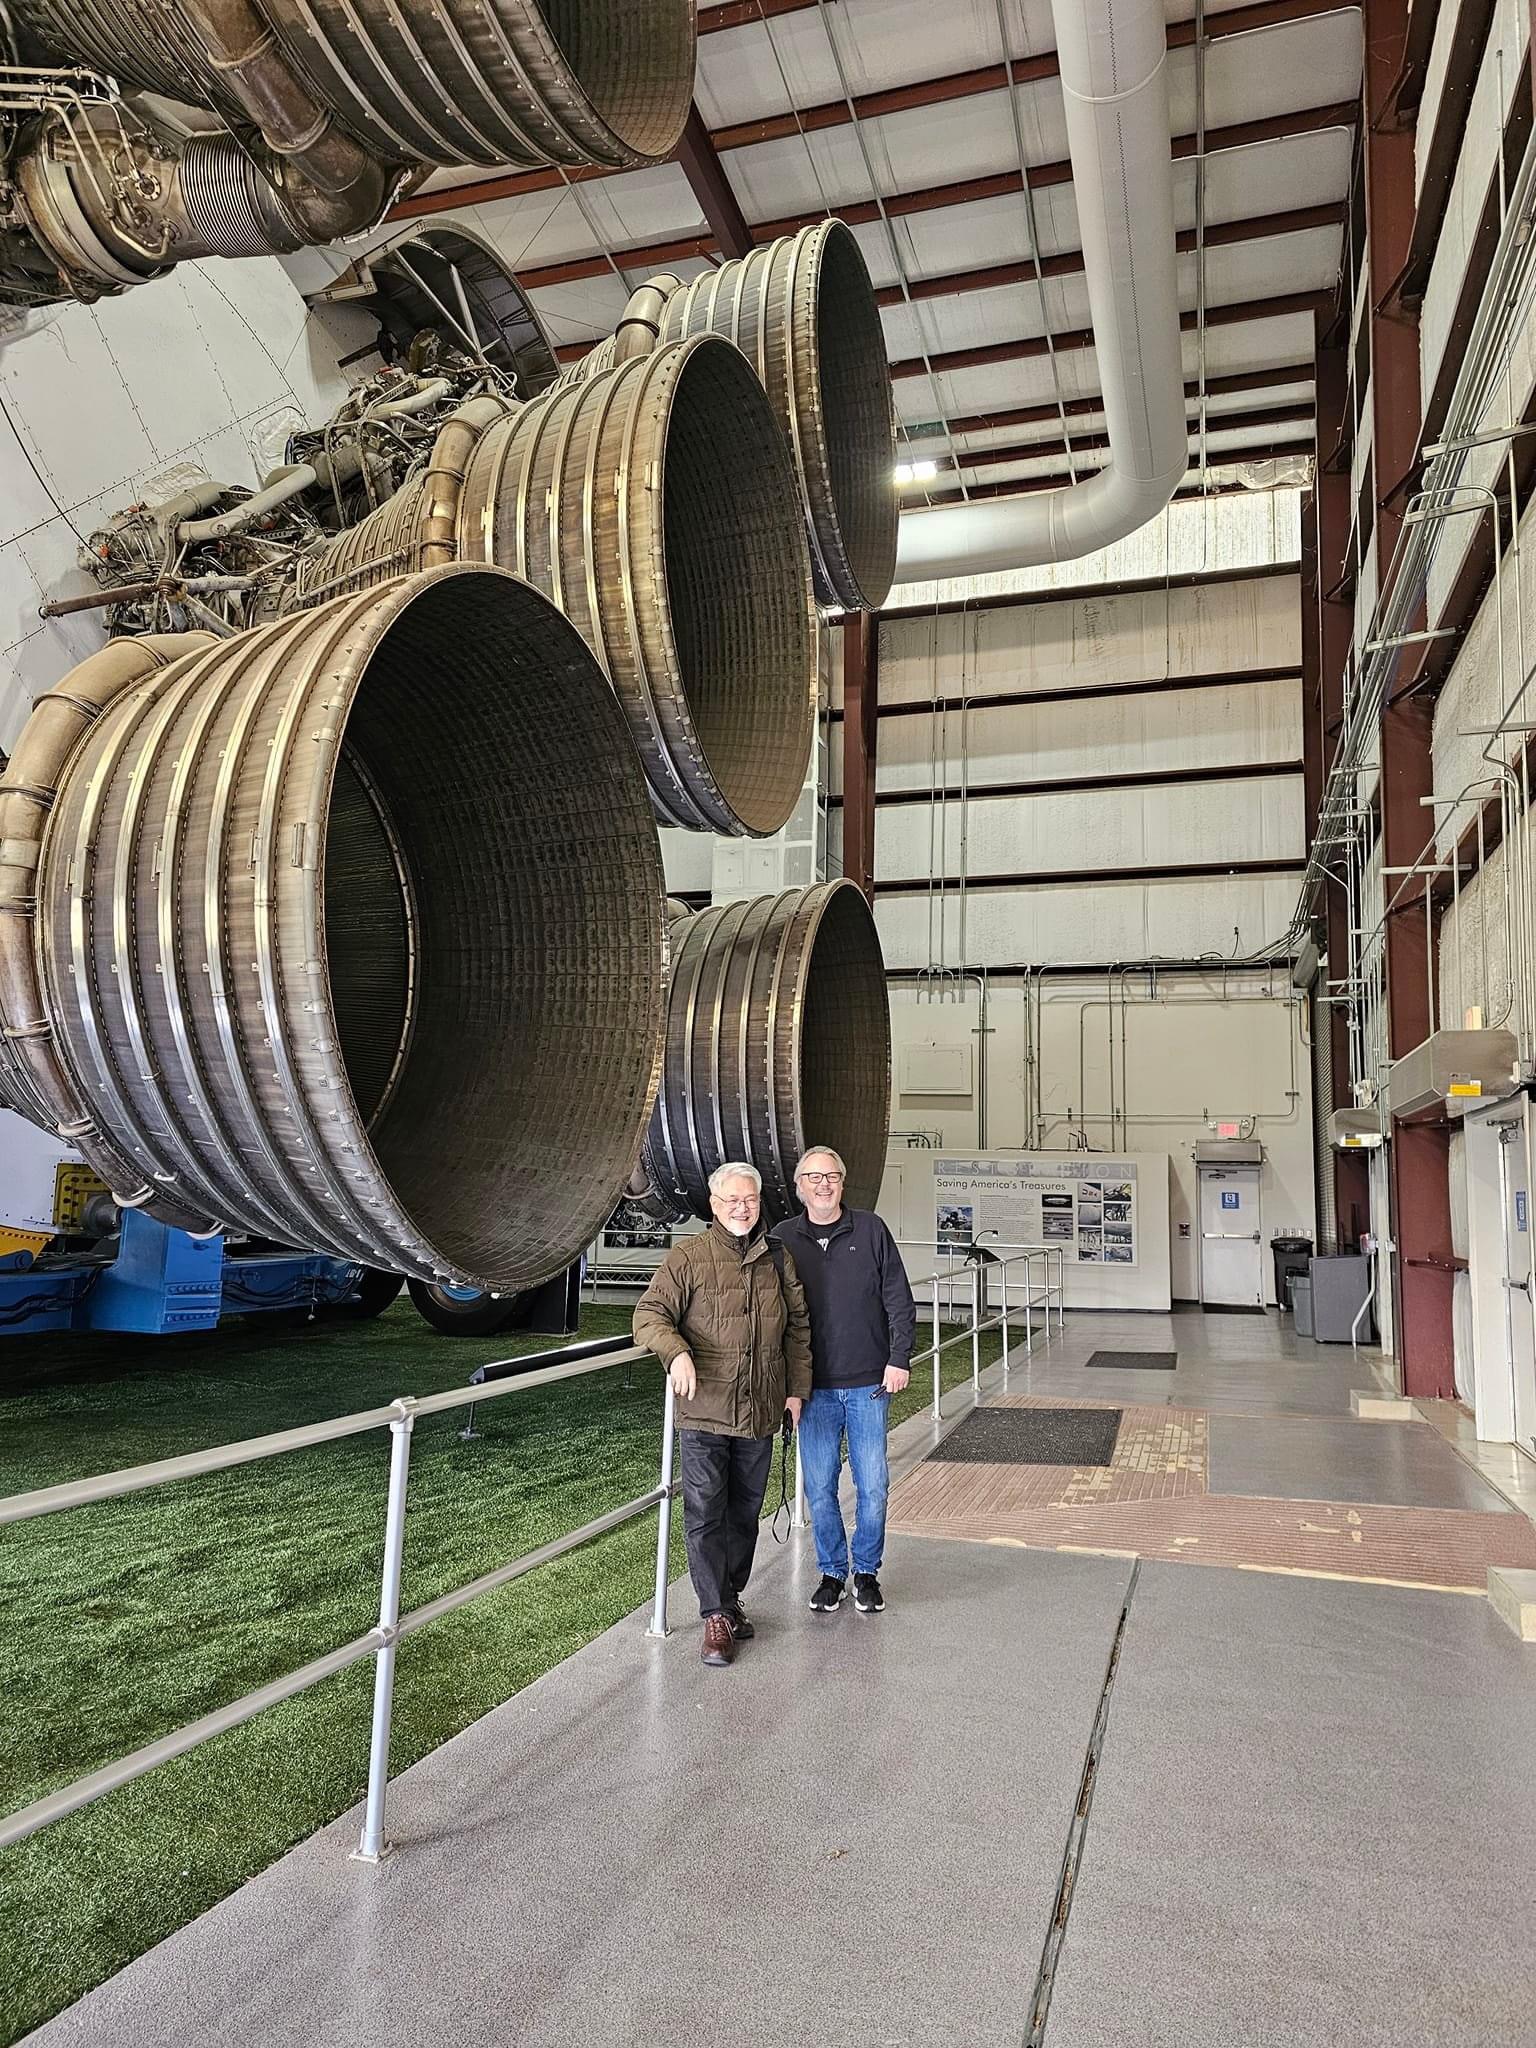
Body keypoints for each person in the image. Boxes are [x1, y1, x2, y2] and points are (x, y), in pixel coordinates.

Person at [634, 1161, 811, 1668]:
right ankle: (714, 1613)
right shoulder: (687, 1257)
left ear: (760, 1204)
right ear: (714, 1205)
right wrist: (676, 1352)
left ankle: (731, 1600)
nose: (742, 1207)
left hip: (760, 1410)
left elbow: (798, 1329)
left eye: (750, 1200)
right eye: (732, 1200)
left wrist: (795, 1390)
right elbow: (649, 1315)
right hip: (705, 1413)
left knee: (744, 1514)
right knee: (706, 1514)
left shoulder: (778, 1259)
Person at [771, 1146, 915, 1616]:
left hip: (869, 1384)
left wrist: (898, 1359)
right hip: (812, 1389)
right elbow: (768, 1313)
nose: (823, 1184)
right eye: (813, 1177)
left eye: (831, 1176)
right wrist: (785, 1384)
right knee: (819, 1486)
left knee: (873, 1484)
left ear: (842, 1181)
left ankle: (867, 1572)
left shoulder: (871, 1229)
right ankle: (833, 1572)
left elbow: (899, 1299)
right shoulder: (782, 1240)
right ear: (799, 1187)